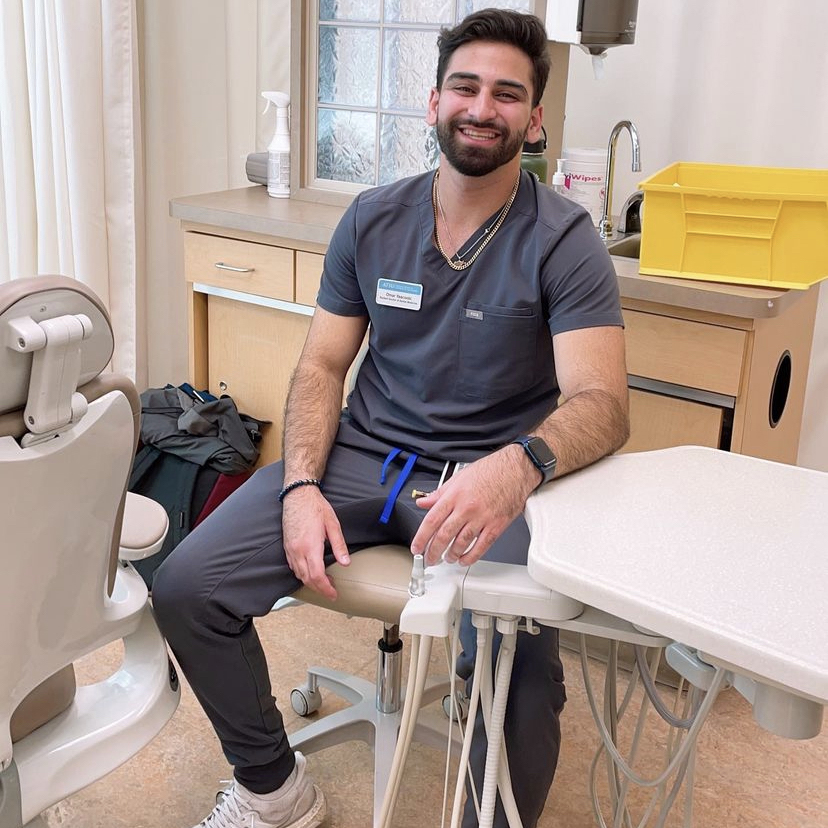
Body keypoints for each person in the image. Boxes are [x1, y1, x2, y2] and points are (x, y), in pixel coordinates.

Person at [152, 8, 629, 828]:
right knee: (187, 585)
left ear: (536, 118)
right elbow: (322, 366)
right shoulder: (373, 218)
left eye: (507, 94)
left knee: (518, 668)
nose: (483, 107)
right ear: (433, 101)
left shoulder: (563, 240)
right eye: (466, 86)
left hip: (486, 477)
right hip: (360, 459)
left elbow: (602, 403)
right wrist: (300, 483)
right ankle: (273, 788)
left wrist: (513, 469)